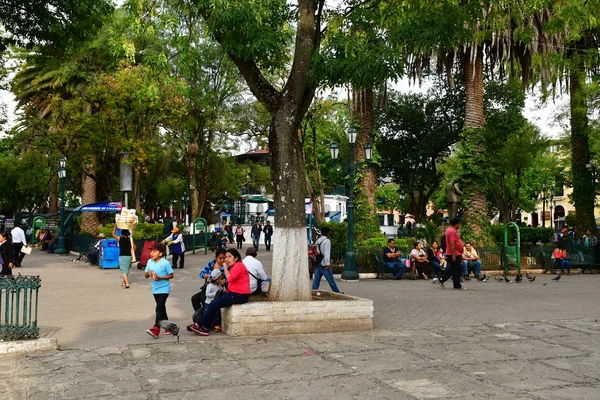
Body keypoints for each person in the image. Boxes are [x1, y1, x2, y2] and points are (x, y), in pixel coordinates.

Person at [189, 248, 251, 336]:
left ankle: (201, 325)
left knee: (214, 304)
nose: (227, 259)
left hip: (239, 295)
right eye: (226, 257)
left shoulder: (238, 265)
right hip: (233, 293)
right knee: (213, 304)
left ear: (236, 258)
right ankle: (203, 326)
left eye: (229, 257)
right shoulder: (234, 266)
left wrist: (225, 267)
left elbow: (230, 279)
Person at [144, 242, 175, 338]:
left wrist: (160, 277)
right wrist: (148, 273)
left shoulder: (165, 263)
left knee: (159, 308)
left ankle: (156, 328)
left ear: (160, 253)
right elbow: (145, 275)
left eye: (154, 251)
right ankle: (168, 327)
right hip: (155, 289)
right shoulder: (149, 262)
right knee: (161, 308)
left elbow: (171, 275)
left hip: (164, 289)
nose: (152, 254)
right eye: (151, 251)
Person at [438, 218, 465, 290]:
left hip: (451, 252)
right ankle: (457, 285)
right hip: (454, 252)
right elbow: (452, 243)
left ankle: (442, 279)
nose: (459, 225)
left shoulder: (448, 229)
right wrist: (454, 254)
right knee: (457, 269)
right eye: (459, 224)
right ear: (456, 224)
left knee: (453, 268)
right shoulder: (452, 231)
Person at [311, 227, 340, 293]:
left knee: (316, 281)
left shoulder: (318, 240)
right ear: (327, 233)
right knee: (331, 282)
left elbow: (317, 252)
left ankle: (313, 293)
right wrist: (328, 263)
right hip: (324, 265)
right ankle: (338, 293)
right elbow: (327, 253)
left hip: (318, 263)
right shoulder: (327, 241)